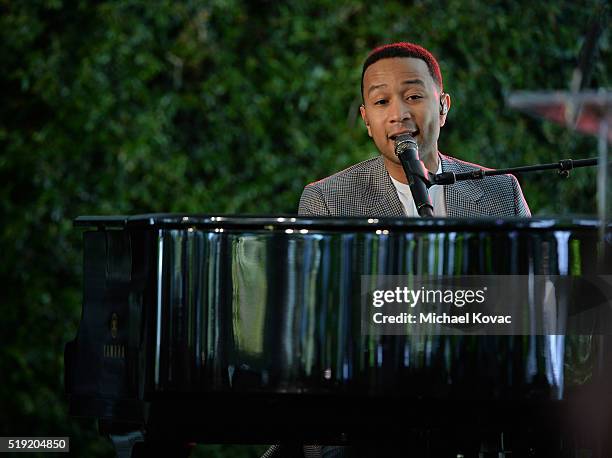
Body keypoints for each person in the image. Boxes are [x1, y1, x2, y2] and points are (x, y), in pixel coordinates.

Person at [298, 42, 531, 218]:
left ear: (443, 107)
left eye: (414, 96)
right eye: (381, 101)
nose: (399, 114)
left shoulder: (501, 192)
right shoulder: (327, 201)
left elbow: (536, 279)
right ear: (366, 119)